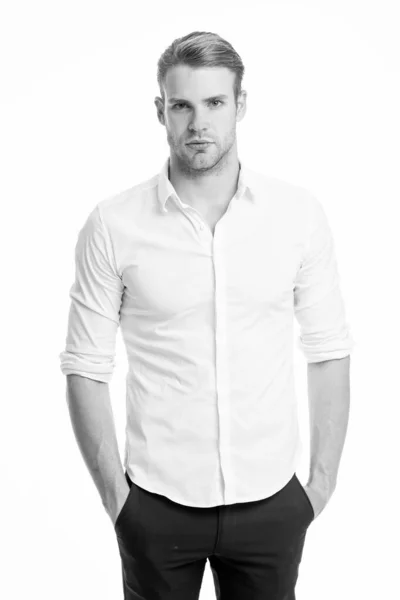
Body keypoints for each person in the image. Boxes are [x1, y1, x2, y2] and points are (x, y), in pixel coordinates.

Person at [60, 30, 354, 600]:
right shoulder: (114, 225)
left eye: (215, 103)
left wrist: (318, 487)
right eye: (182, 106)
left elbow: (329, 350)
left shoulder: (297, 215)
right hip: (155, 505)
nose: (199, 123)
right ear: (160, 111)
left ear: (240, 105)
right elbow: (85, 367)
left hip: (272, 501)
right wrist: (118, 502)